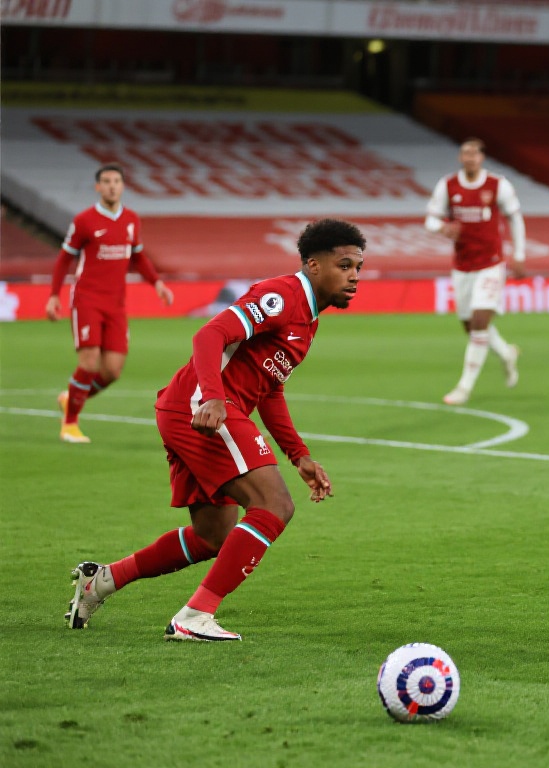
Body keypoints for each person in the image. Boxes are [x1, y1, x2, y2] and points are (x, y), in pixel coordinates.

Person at [65, 218, 364, 642]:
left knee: (213, 535)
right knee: (274, 505)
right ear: (313, 265)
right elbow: (210, 334)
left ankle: (101, 581)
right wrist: (213, 397)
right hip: (201, 409)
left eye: (358, 267)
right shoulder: (283, 296)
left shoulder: (308, 320)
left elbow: (269, 389)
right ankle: (195, 616)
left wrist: (299, 455)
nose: (354, 276)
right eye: (344, 265)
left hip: (193, 409)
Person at [46, 163, 174, 444]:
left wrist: (157, 283)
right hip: (87, 299)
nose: (112, 186)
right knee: (89, 362)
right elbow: (64, 258)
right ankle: (70, 424)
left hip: (116, 303)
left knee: (112, 370)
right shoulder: (84, 220)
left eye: (116, 181)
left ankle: (70, 399)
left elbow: (138, 256)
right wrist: (54, 294)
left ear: (123, 186)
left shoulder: (131, 220)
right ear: (98, 187)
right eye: (106, 181)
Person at [425, 137, 525, 406]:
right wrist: (442, 227)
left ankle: (464, 387)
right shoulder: (448, 185)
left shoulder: (497, 185)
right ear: (461, 157)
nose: (469, 158)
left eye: (474, 153)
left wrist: (519, 254)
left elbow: (515, 218)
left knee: (480, 322)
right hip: (462, 266)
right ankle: (506, 354)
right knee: (470, 326)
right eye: (465, 153)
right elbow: (430, 218)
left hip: (490, 264)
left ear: (482, 157)